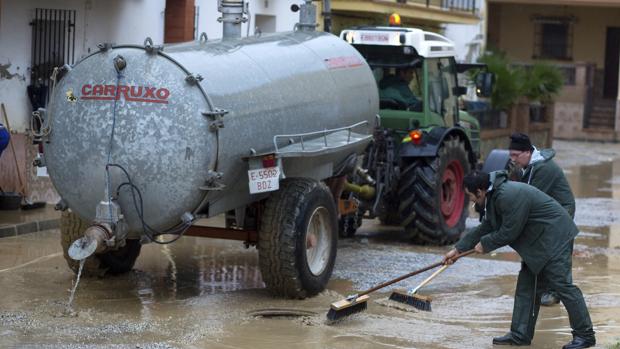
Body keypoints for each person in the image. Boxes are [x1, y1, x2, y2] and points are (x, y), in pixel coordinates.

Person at [444, 170, 595, 348]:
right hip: (538, 243)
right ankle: (520, 335)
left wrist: (485, 244)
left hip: (555, 238)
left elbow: (509, 231)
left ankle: (585, 336)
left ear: (480, 191)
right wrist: (458, 249)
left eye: (471, 197)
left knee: (562, 286)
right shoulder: (494, 196)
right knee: (527, 288)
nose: (472, 201)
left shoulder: (507, 195)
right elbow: (488, 225)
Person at [509, 132, 576, 306]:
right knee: (541, 246)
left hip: (561, 211)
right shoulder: (529, 166)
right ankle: (543, 287)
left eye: (516, 155)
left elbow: (528, 198)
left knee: (557, 250)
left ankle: (555, 292)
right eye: (511, 155)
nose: (513, 160)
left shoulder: (543, 168)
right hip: (546, 209)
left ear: (527, 152)